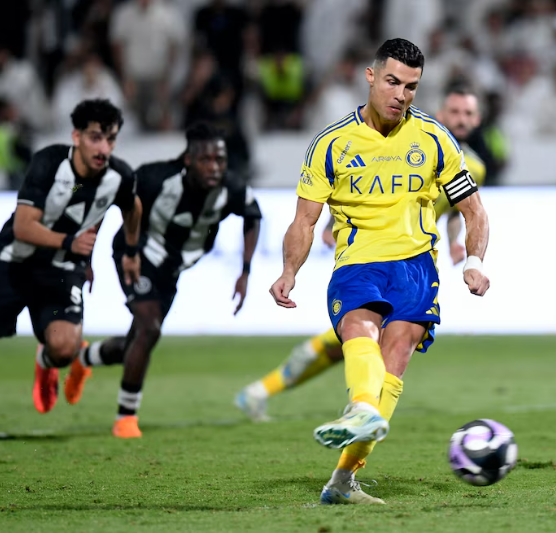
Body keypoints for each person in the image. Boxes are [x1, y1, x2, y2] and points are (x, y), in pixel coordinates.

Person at [267, 39, 490, 505]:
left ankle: (343, 480)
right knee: (358, 329)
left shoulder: (434, 138)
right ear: (371, 77)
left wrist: (473, 262)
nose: (401, 95)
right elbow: (304, 220)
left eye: (411, 86)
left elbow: (474, 211)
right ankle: (362, 410)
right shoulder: (331, 143)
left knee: (395, 361)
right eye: (392, 81)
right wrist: (289, 270)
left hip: (415, 267)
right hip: (357, 262)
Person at [236, 84, 487, 421]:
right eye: (454, 112)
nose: (461, 119)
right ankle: (269, 393)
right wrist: (326, 227)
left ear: (478, 119)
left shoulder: (469, 164)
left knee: (361, 346)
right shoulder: (417, 141)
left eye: (468, 113)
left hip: (414, 266)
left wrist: (459, 242)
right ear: (442, 113)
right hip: (371, 258)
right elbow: (356, 187)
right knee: (345, 342)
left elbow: (457, 210)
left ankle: (352, 427)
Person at [77, 122, 262, 438]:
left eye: (220, 160)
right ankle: (126, 418)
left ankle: (83, 358)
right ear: (189, 159)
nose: (215, 168)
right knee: (149, 328)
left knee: (141, 339)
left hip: (172, 270)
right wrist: (87, 257)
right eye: (207, 160)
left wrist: (244, 272)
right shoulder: (155, 177)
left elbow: (252, 216)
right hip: (134, 256)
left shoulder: (231, 187)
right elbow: (109, 201)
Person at [0, 98, 141, 415]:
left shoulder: (119, 176)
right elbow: (23, 226)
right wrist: (70, 242)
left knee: (64, 349)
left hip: (62, 268)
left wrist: (130, 252)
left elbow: (133, 208)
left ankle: (45, 362)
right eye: (95, 137)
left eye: (111, 139)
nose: (104, 148)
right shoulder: (49, 163)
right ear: (76, 136)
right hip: (14, 260)